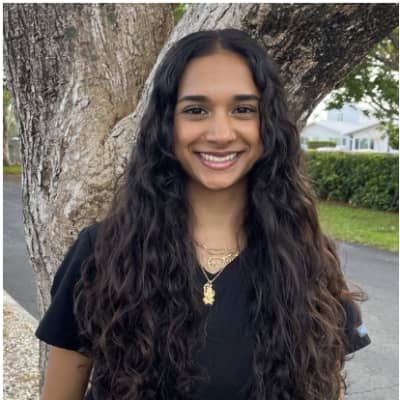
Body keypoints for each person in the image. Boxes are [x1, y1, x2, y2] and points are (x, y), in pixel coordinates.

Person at [35, 28, 371, 400]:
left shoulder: (309, 258)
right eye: (196, 110)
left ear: (268, 125)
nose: (220, 133)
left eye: (243, 109)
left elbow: (328, 389)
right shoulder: (100, 253)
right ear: (166, 123)